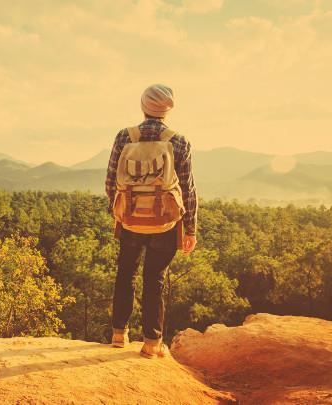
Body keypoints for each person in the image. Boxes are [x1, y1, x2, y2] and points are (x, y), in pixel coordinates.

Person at [105, 83, 198, 358]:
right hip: (166, 222)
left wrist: (120, 211)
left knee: (125, 273)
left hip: (130, 218)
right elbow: (188, 189)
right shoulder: (179, 141)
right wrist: (190, 228)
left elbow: (111, 181)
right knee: (154, 278)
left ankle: (119, 334)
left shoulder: (125, 136)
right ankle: (151, 343)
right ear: (168, 110)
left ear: (144, 105)